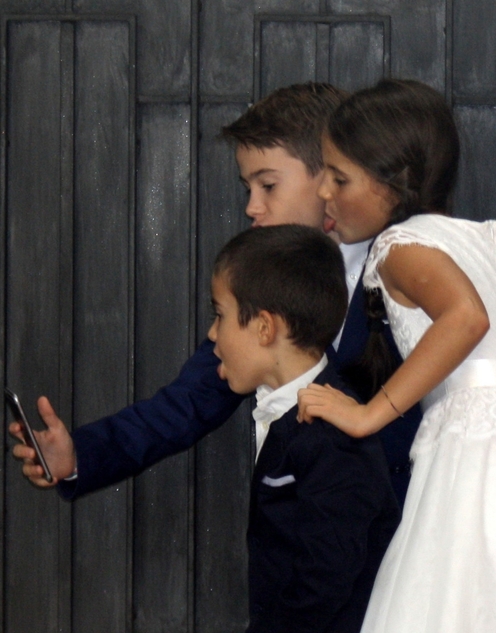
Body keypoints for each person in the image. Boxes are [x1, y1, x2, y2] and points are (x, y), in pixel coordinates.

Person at [10, 82, 419, 504]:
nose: (251, 207)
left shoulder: (408, 263)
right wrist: (80, 456)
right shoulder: (258, 284)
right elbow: (187, 403)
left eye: (268, 185)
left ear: (330, 174)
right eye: (248, 189)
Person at [297, 78, 496, 632]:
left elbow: (466, 318)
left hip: (475, 457)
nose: (323, 191)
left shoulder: (399, 245)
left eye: (339, 177)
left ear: (394, 183)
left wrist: (369, 414)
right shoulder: (485, 237)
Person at [208, 224, 400, 632]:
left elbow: (327, 574)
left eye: (220, 315)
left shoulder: (331, 434)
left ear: (264, 328)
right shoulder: (290, 415)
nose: (212, 333)